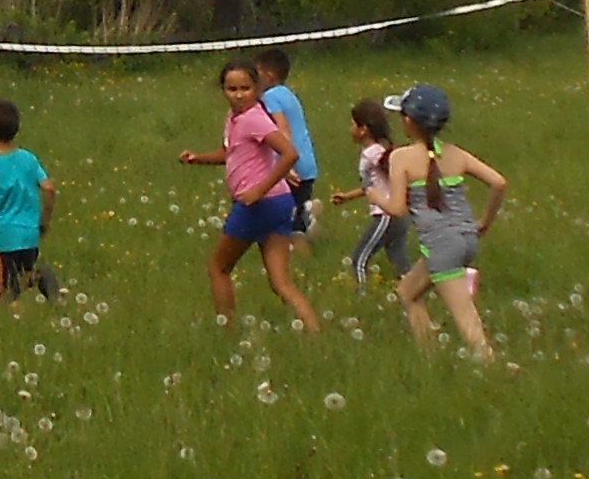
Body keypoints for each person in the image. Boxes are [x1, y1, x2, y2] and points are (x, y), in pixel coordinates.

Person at [178, 61, 321, 331]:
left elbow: (290, 154)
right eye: (232, 89)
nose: (239, 95)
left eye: (245, 88)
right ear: (223, 90)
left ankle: (226, 332)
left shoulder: (254, 118)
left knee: (218, 268)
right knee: (281, 283)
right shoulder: (234, 119)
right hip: (279, 203)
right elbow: (229, 153)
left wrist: (259, 190)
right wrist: (198, 158)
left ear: (257, 88)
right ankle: (315, 334)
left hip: (259, 204)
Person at [381, 83, 511, 359]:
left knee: (471, 328)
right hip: (466, 239)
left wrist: (373, 195)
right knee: (408, 292)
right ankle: (430, 357)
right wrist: (484, 222)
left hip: (442, 247)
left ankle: (493, 368)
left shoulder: (400, 158)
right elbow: (498, 183)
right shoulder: (456, 154)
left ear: (408, 121)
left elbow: (397, 209)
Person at [0, 97, 59, 300]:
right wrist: (44, 221)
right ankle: (41, 279)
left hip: (4, 238)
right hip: (30, 234)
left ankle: (11, 313)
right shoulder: (29, 158)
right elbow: (49, 188)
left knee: (6, 294)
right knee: (24, 274)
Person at [339, 96, 415, 292]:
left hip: (386, 215)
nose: (350, 128)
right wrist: (348, 196)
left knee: (359, 259)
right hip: (398, 215)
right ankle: (414, 292)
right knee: (399, 261)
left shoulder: (375, 154)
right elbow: (373, 185)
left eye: (353, 124)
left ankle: (361, 295)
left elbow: (395, 175)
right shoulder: (374, 152)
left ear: (363, 129)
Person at [250, 49, 323, 237]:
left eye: (257, 73)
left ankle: (305, 217)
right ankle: (306, 212)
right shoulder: (288, 94)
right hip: (307, 165)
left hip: (292, 167)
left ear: (268, 75)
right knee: (293, 216)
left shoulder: (270, 96)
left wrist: (286, 165)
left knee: (286, 221)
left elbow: (283, 129)